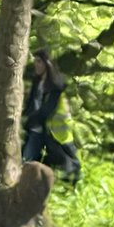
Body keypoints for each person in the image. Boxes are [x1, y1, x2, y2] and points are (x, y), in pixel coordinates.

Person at [22, 49, 81, 183]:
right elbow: (31, 105)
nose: (35, 64)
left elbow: (46, 111)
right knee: (27, 162)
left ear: (46, 63)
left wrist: (27, 121)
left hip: (51, 133)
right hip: (35, 130)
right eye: (35, 61)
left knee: (64, 162)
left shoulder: (56, 86)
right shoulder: (37, 82)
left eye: (39, 61)